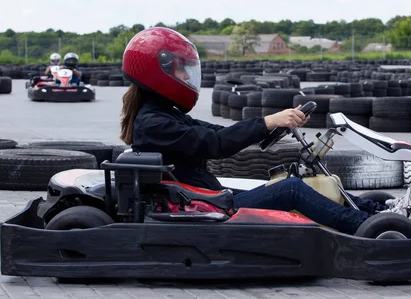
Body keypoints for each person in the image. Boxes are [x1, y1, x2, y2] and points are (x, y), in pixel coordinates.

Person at [119, 27, 389, 235]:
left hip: (203, 197)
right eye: (181, 70)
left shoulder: (163, 116)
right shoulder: (155, 123)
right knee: (291, 189)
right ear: (159, 72)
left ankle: (380, 211)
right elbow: (216, 143)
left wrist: (271, 124)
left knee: (287, 183)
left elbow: (218, 132)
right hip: (205, 207)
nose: (188, 77)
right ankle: (372, 228)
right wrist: (269, 121)